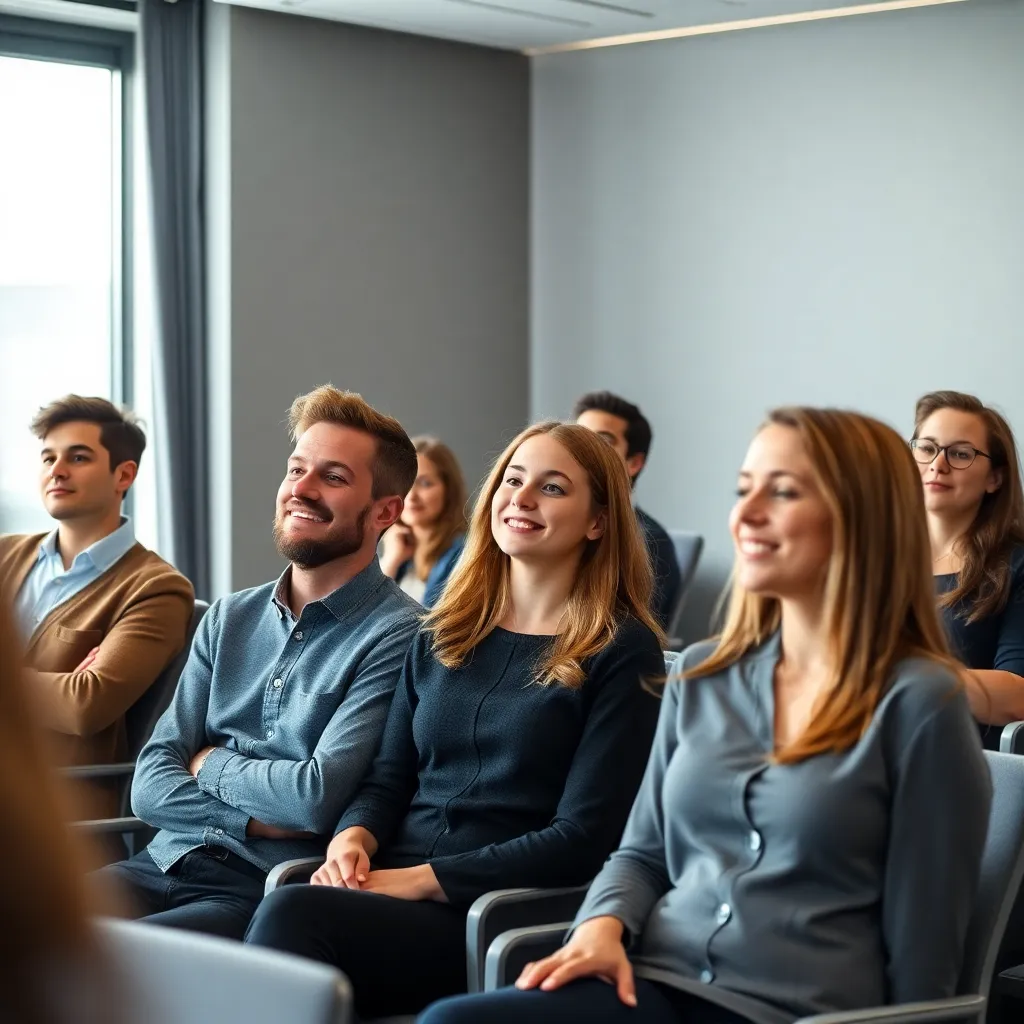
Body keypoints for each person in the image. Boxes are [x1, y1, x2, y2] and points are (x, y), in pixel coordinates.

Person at [419, 407, 991, 1024]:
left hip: (800, 1011)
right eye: (744, 490)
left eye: (784, 492)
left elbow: (924, 961)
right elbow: (640, 855)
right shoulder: (703, 674)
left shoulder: (920, 704)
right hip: (652, 983)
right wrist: (601, 926)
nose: (745, 516)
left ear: (863, 520)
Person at [245, 421, 666, 1020]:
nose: (520, 499)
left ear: (598, 521)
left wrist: (422, 879)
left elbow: (582, 839)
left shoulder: (621, 651)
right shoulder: (443, 633)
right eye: (513, 480)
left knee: (291, 916)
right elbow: (388, 779)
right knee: (288, 906)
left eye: (552, 488)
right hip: (394, 891)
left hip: (496, 914)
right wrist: (353, 837)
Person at [94, 386, 422, 940]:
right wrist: (254, 816)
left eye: (333, 478)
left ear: (385, 511)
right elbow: (148, 785)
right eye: (296, 469)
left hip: (261, 887)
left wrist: (207, 765)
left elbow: (313, 800)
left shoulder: (399, 634)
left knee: (116, 963)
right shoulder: (229, 617)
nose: (302, 489)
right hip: (161, 861)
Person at [0, 396, 193, 820]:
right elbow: (67, 694)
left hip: (50, 814)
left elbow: (85, 705)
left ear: (124, 474)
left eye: (78, 457)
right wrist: (54, 683)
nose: (57, 470)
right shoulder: (5, 556)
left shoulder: (156, 588)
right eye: (48, 457)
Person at [0, 588, 114, 1024]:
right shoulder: (14, 554)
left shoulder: (153, 586)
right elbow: (152, 783)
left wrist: (206, 764)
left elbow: (85, 702)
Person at [910, 390, 1024, 749]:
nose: (937, 465)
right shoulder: (876, 556)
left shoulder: (1017, 565)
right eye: (926, 448)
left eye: (960, 454)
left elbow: (1017, 694)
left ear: (995, 479)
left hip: (960, 770)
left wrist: (906, 679)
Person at [574, 391, 681, 630]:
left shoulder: (651, 543)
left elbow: (628, 637)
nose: (583, 451)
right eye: (578, 439)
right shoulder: (554, 525)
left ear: (633, 463)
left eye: (603, 441)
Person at [379, 437, 467, 606]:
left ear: (449, 491)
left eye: (425, 483)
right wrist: (392, 559)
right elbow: (362, 618)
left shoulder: (464, 556)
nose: (411, 495)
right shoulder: (398, 552)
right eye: (405, 483)